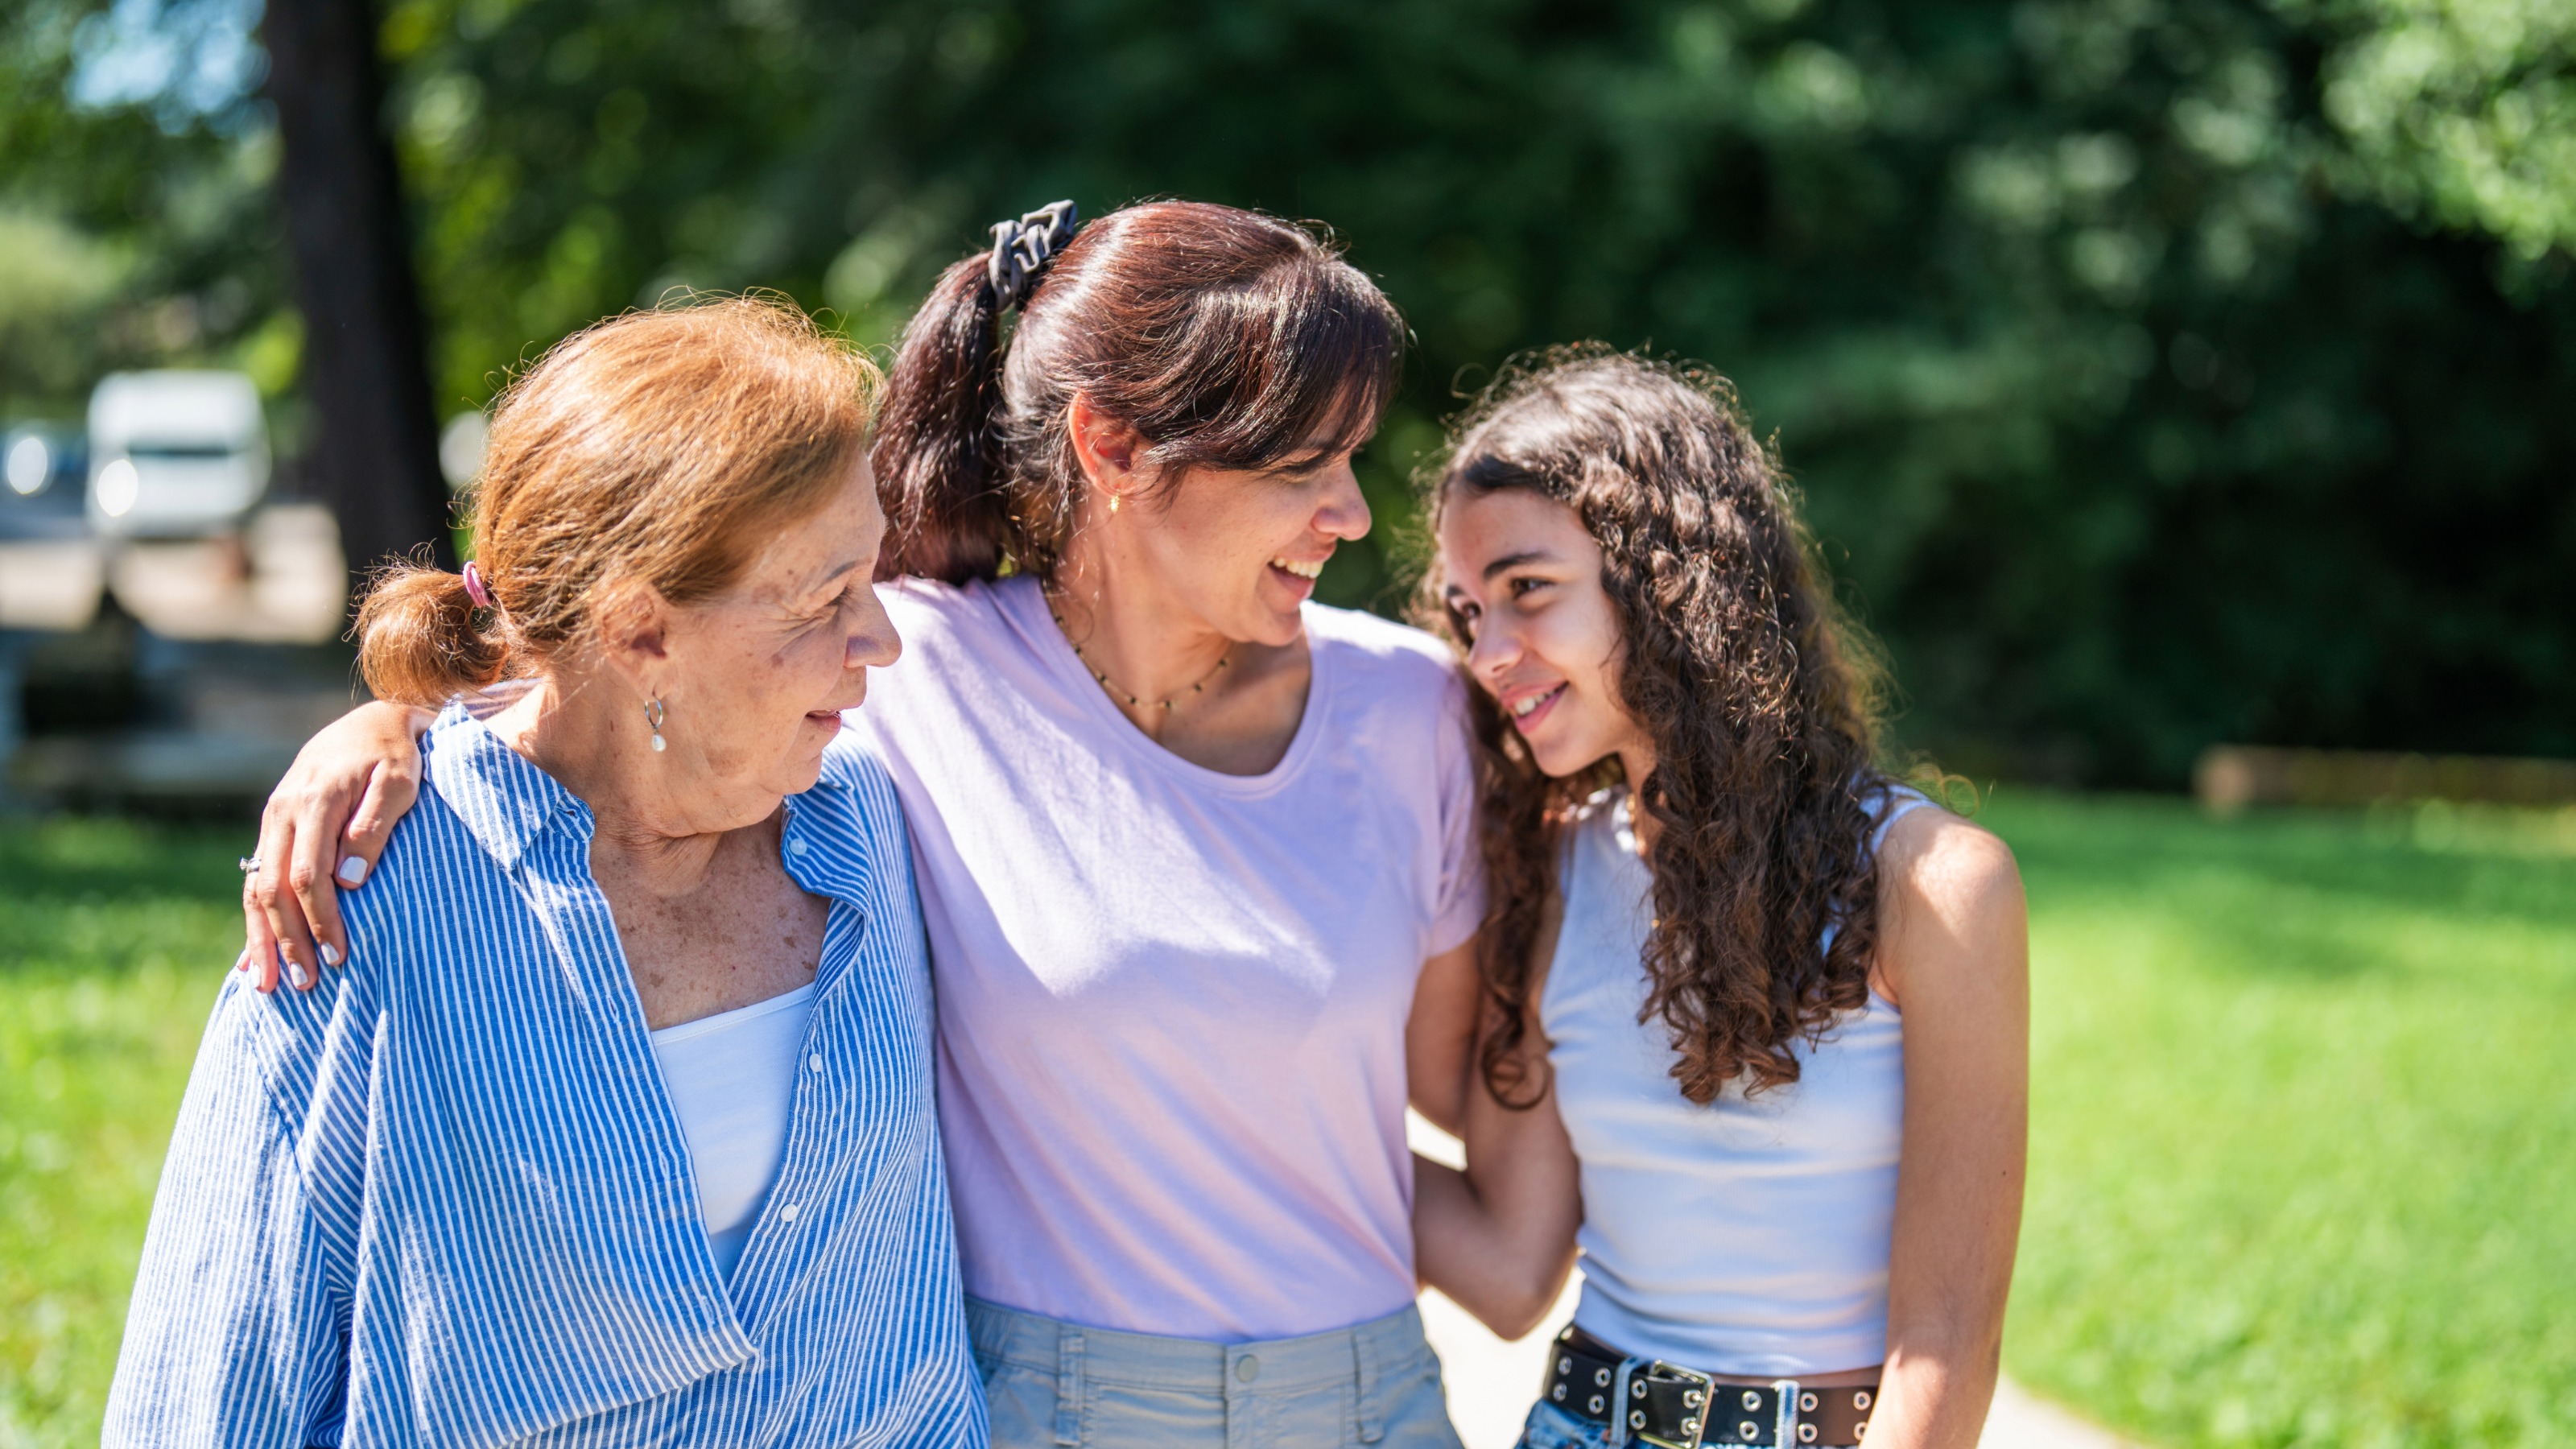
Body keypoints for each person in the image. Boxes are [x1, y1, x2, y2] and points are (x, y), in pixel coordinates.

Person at [234, 202, 1480, 1447]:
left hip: (1371, 1400)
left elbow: (1486, 1083)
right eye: (1299, 463)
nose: (1355, 513)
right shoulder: (904, 678)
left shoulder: (1404, 704)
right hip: (1054, 1405)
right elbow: (621, 655)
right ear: (1108, 447)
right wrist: (388, 728)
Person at [111, 299, 983, 1447]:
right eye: (825, 599)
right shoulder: (374, 887)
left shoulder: (866, 823)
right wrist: (396, 720)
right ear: (638, 631)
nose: (883, 639)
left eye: (869, 580)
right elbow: (221, 1367)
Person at [1410, 350, 2029, 1449]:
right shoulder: (1551, 872)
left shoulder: (1936, 885)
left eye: (1527, 591)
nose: (1489, 655)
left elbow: (1944, 1344)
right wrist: (1250, 1103)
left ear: (1665, 580)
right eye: (1467, 613)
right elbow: (1509, 1269)